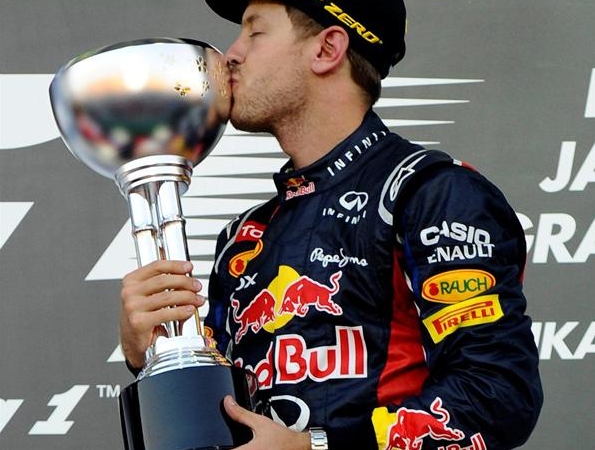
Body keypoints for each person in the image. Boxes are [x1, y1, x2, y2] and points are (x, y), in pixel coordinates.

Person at [119, 0, 543, 449]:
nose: (231, 55)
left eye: (255, 33)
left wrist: (314, 446)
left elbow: (497, 396)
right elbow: (226, 419)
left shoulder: (428, 194)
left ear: (327, 49)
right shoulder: (244, 238)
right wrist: (156, 353)